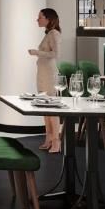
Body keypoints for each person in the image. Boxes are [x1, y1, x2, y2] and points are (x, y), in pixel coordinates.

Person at [29, 8, 62, 153]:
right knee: (45, 108)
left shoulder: (54, 33)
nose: (37, 20)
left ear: (48, 19)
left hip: (49, 75)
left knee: (52, 109)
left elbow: (55, 54)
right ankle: (48, 138)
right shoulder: (48, 34)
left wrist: (37, 52)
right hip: (42, 74)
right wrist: (39, 54)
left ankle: (56, 141)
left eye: (40, 17)